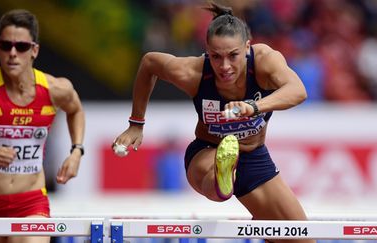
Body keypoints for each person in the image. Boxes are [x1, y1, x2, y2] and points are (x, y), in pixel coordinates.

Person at [113, 2, 314, 243]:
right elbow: (149, 63)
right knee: (219, 188)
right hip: (207, 152)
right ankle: (222, 175)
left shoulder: (265, 61)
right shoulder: (194, 72)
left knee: (302, 239)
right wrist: (136, 123)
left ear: (247, 47)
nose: (225, 66)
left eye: (233, 56)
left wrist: (253, 107)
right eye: (216, 57)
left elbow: (298, 90)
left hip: (253, 158)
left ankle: (230, 176)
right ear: (206, 50)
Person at [0, 9, 85, 243]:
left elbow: (76, 110)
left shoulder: (55, 89)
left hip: (31, 202)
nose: (12, 53)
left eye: (20, 47)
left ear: (34, 51)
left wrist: (77, 151)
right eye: (6, 45)